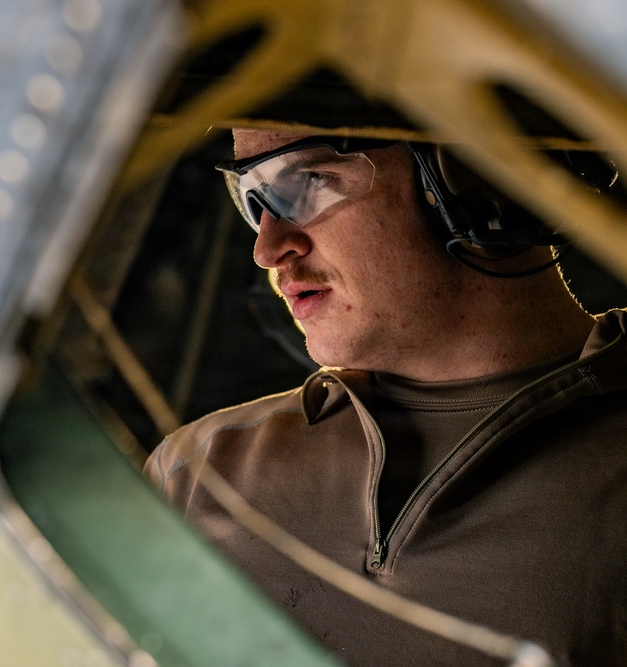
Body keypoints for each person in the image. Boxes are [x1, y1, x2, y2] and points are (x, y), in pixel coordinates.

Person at [144, 128, 627, 666]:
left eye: (308, 182)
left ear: (474, 176)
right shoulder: (197, 469)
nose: (267, 248)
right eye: (252, 199)